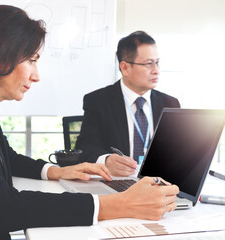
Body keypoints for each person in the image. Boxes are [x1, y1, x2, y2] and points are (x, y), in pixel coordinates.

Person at [0, 5, 179, 240]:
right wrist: (116, 205)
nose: (37, 75)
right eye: (32, 60)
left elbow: (7, 157)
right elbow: (1, 207)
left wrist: (56, 171)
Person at [76, 31, 180, 176]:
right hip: (116, 183)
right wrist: (106, 160)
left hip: (157, 183)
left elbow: (178, 151)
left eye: (157, 63)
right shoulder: (98, 101)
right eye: (149, 64)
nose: (156, 70)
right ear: (125, 68)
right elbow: (85, 148)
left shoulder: (170, 103)